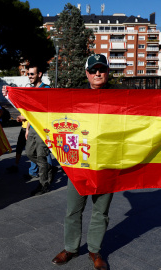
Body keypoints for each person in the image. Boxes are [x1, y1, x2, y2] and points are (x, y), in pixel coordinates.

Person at [51, 54, 129, 270]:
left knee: (100, 212)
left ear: (107, 72)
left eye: (101, 69)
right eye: (93, 70)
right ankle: (71, 248)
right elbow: (47, 107)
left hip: (107, 163)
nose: (97, 73)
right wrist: (13, 95)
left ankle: (95, 250)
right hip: (80, 163)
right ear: (86, 73)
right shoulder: (75, 96)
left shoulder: (121, 97)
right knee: (73, 210)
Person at [2, 64, 54, 196]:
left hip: (43, 129)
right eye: (28, 74)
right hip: (32, 127)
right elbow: (30, 110)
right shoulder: (31, 89)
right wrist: (27, 127)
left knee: (41, 155)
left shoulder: (46, 89)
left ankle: (43, 184)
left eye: (32, 74)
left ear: (39, 74)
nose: (29, 76)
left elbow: (43, 110)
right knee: (30, 153)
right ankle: (47, 168)